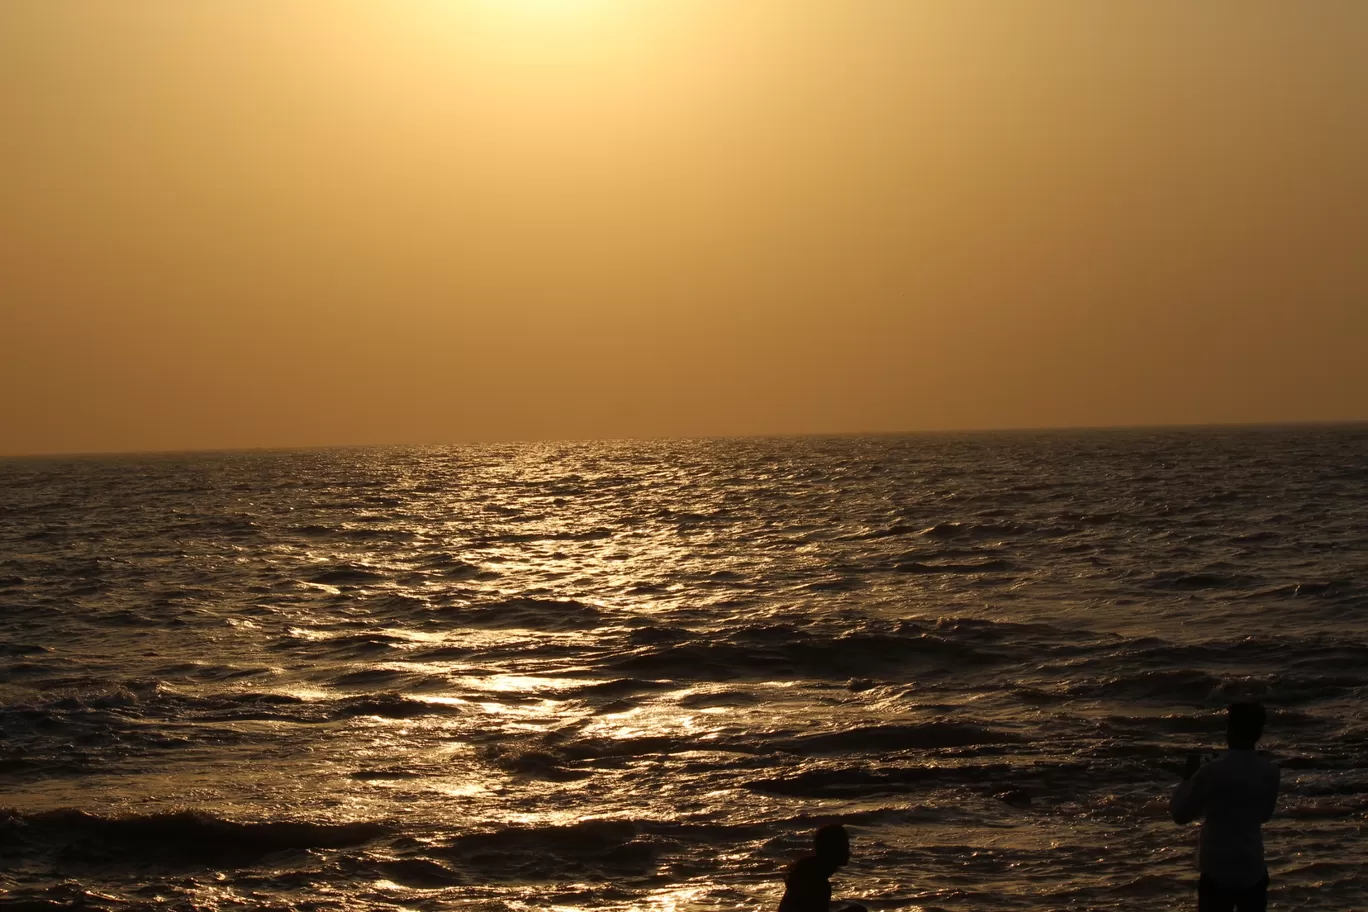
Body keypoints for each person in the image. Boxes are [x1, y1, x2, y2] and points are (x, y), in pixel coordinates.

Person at [1171, 702, 1280, 912]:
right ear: (1258, 733)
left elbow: (1180, 815)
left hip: (1217, 867)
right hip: (1252, 865)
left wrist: (1188, 779)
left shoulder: (1210, 771)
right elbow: (1265, 815)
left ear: (1229, 729)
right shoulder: (1270, 772)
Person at [778, 824, 866, 912]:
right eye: (845, 848)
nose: (849, 853)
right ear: (833, 850)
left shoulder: (807, 871)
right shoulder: (817, 882)